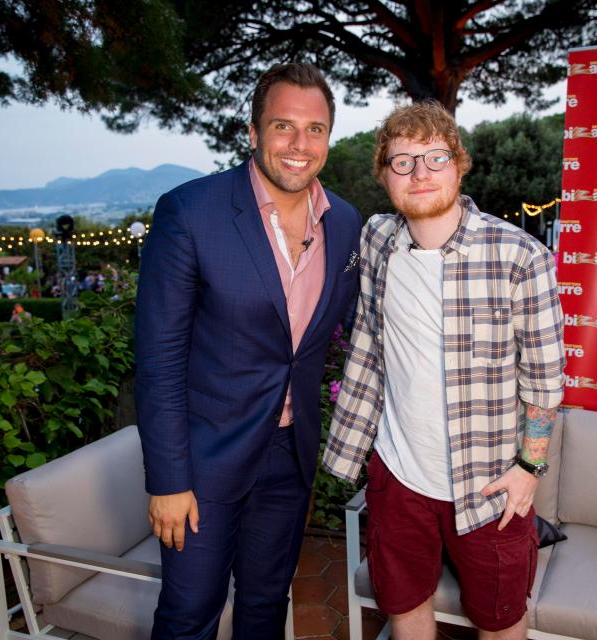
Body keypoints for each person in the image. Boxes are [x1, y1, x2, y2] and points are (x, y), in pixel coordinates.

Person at [135, 62, 362, 640]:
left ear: (329, 138)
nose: (299, 144)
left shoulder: (347, 224)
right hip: (202, 463)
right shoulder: (191, 212)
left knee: (265, 605)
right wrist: (167, 480)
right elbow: (158, 361)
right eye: (283, 125)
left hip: (289, 456)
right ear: (254, 131)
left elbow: (359, 332)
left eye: (315, 130)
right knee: (190, 615)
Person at [323, 101, 565, 639]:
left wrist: (529, 468)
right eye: (402, 161)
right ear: (384, 175)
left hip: (490, 485)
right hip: (397, 478)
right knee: (405, 607)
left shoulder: (520, 257)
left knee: (500, 621)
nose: (420, 173)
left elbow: (546, 382)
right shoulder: (378, 239)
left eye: (434, 157)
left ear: (459, 164)